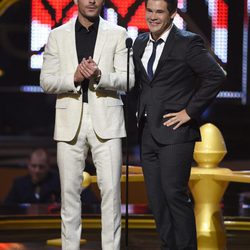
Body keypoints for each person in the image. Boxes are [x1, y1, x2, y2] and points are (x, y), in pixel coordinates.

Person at [40, 0, 134, 249]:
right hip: (69, 121)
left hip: (108, 121)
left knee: (112, 194)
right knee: (69, 195)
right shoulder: (57, 35)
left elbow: (129, 80)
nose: (91, 0)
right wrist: (75, 76)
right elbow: (46, 81)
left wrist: (99, 76)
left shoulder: (118, 34)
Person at [132, 0, 226, 249]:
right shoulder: (140, 42)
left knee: (174, 195)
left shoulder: (187, 42)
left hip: (176, 133)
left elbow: (216, 75)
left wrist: (190, 111)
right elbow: (142, 84)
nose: (153, 17)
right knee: (156, 200)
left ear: (172, 14)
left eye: (159, 12)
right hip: (147, 133)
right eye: (149, 11)